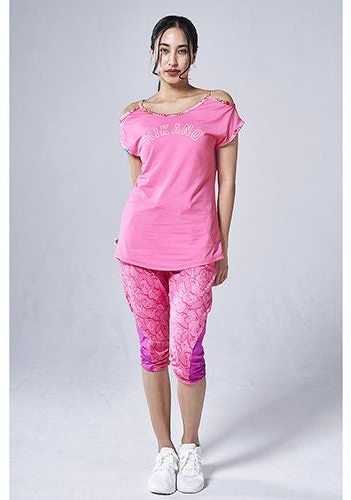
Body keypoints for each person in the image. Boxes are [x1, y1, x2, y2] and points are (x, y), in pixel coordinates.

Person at [113, 15, 245, 495]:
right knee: (154, 349)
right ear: (153, 53)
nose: (172, 59)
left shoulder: (217, 107)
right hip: (140, 248)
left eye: (182, 49)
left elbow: (226, 183)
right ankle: (163, 449)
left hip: (195, 248)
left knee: (187, 351)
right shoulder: (134, 116)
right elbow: (140, 189)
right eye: (164, 49)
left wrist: (221, 246)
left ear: (194, 55)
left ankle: (190, 446)